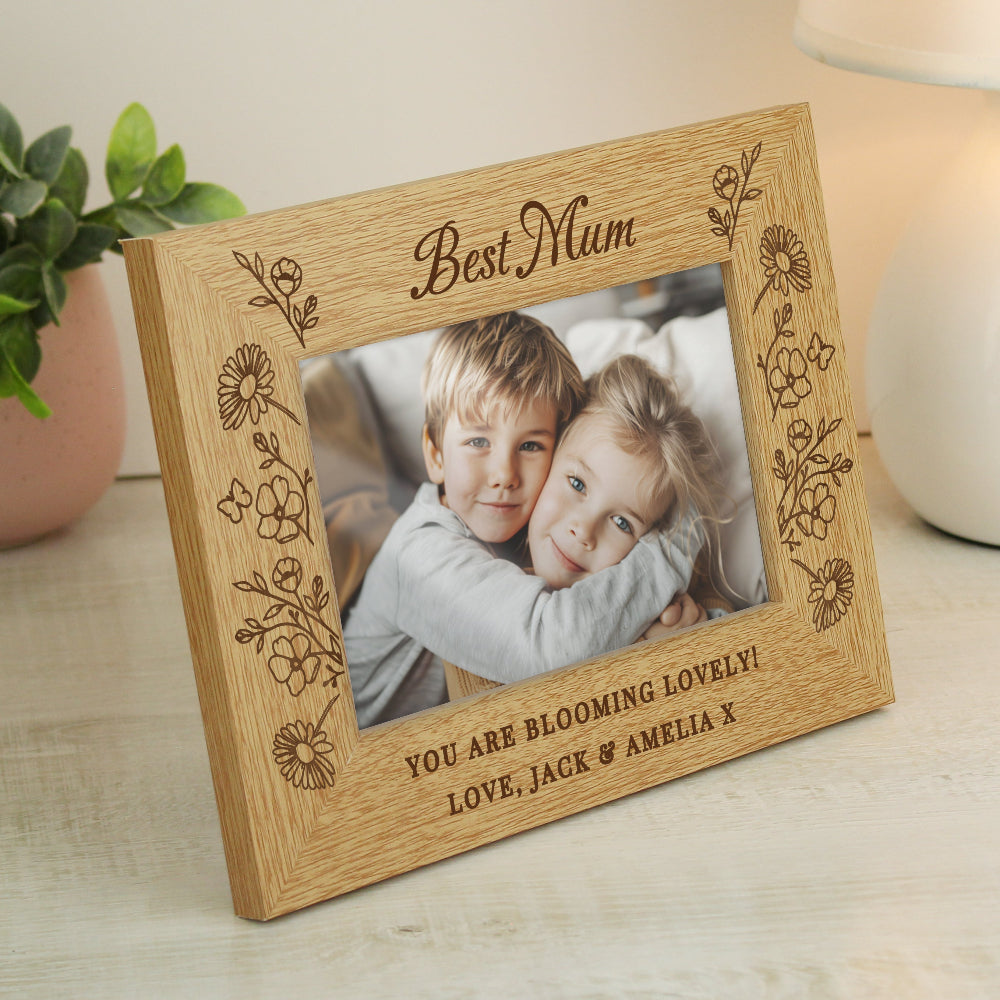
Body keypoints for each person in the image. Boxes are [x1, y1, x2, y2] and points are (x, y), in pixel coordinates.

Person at [344, 324, 719, 728]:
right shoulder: (420, 555)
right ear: (435, 455)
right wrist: (678, 539)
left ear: (556, 451)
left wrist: (684, 629)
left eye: (530, 446)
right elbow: (553, 644)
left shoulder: (518, 527)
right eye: (477, 442)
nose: (505, 474)